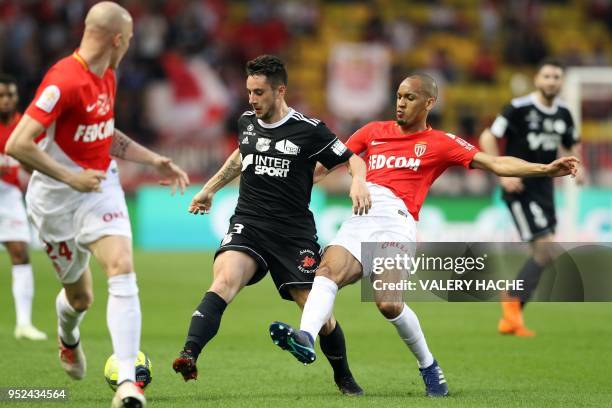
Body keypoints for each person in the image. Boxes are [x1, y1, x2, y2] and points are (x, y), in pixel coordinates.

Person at [269, 73, 578, 397]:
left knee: (388, 304)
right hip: (361, 215)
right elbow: (325, 166)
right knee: (327, 272)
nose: (401, 103)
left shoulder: (441, 143)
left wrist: (543, 169)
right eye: (399, 96)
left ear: (429, 102)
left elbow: (495, 162)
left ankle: (428, 365)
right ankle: (305, 337)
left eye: (410, 98)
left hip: (396, 221)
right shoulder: (373, 132)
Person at [6, 3, 189, 407]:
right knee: (80, 298)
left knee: (122, 266)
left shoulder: (108, 74)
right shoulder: (63, 80)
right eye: (131, 39)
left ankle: (127, 382)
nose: (131, 46)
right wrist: (69, 177)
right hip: (55, 200)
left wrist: (150, 158)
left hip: (101, 186)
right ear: (118, 39)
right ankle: (67, 337)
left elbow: (103, 132)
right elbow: (18, 143)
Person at [172, 55, 371, 396]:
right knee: (224, 281)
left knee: (318, 314)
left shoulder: (310, 130)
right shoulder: (247, 121)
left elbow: (352, 159)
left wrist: (358, 182)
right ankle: (189, 354)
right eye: (249, 91)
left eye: (259, 92)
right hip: (249, 223)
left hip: (293, 234)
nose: (252, 99)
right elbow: (241, 155)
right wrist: (209, 189)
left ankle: (344, 378)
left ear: (280, 91)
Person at [480, 58, 583, 337]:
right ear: (537, 79)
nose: (552, 81)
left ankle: (512, 313)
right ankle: (512, 305)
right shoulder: (519, 108)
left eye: (556, 77)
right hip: (520, 186)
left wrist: (580, 166)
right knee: (545, 247)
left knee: (545, 253)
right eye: (547, 76)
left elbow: (572, 143)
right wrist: (502, 174)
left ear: (561, 82)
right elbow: (487, 137)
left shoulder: (564, 112)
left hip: (545, 188)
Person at [0, 74, 47, 341]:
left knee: (20, 252)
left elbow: (34, 162)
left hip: (8, 195)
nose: (5, 100)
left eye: (10, 95)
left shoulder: (24, 127)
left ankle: (23, 323)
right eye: (1, 95)